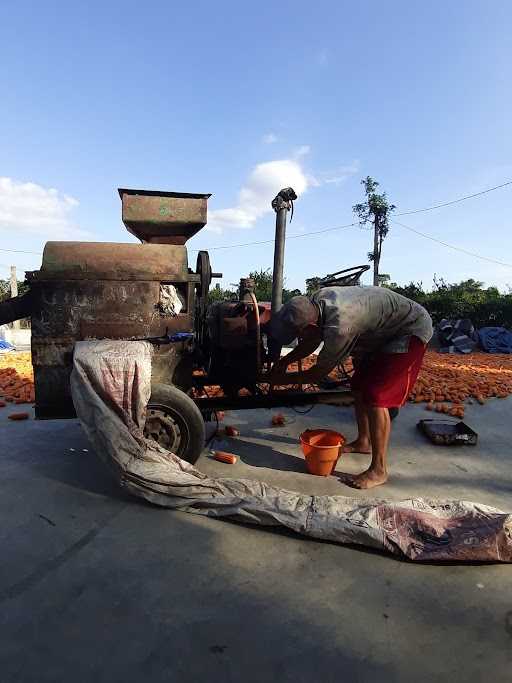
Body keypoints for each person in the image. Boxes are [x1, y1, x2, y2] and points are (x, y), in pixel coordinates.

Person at [266, 286, 433, 489]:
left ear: (309, 325)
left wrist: (277, 381)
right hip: (383, 332)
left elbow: (318, 373)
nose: (299, 338)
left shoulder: (340, 326)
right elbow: (312, 339)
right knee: (358, 386)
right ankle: (364, 442)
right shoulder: (316, 301)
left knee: (375, 395)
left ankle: (379, 470)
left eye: (299, 333)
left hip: (410, 329)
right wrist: (285, 362)